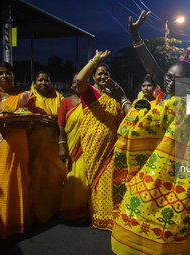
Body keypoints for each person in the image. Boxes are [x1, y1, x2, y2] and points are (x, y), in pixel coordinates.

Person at [111, 10, 190, 255]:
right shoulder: (165, 102)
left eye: (178, 78)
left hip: (189, 180)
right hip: (160, 180)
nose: (170, 82)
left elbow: (139, 126)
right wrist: (137, 38)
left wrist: (125, 103)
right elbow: (154, 70)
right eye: (168, 78)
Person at [76, 50, 131, 230]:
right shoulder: (89, 93)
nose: (103, 76)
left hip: (112, 145)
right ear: (93, 77)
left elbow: (124, 116)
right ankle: (98, 216)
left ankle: (111, 217)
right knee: (97, 181)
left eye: (106, 74)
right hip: (93, 145)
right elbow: (79, 80)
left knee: (110, 180)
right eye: (99, 74)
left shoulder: (114, 95)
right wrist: (95, 60)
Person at [0, 62, 36, 239]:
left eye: (8, 73)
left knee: (19, 181)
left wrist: (14, 122)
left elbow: (29, 120)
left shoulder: (23, 96)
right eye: (0, 73)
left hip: (18, 143)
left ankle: (17, 223)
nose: (4, 76)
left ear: (13, 76)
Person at [28, 70, 66, 224]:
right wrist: (37, 121)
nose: (43, 83)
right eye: (40, 80)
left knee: (54, 177)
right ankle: (34, 212)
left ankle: (53, 210)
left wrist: (55, 123)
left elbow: (65, 116)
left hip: (52, 141)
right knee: (35, 176)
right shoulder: (28, 98)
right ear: (34, 82)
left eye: (46, 80)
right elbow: (21, 116)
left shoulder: (58, 97)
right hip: (34, 142)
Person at [58, 74, 89, 220]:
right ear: (72, 84)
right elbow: (61, 125)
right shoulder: (66, 101)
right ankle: (71, 209)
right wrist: (62, 145)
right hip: (71, 144)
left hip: (89, 145)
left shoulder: (92, 101)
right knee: (72, 177)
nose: (78, 84)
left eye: (81, 81)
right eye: (75, 82)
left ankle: (85, 208)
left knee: (86, 176)